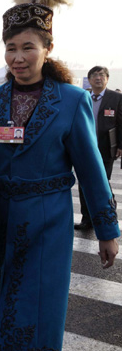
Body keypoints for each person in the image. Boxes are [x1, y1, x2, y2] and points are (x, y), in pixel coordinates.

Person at [0, 0, 120, 351]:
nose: (18, 57)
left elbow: (91, 169)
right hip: (0, 219)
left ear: (47, 48)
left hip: (50, 222)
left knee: (38, 310)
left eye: (28, 47)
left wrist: (108, 232)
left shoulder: (70, 101)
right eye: (11, 48)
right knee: (0, 305)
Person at [75, 66, 122, 230]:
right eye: (94, 75)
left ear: (107, 79)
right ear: (89, 79)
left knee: (103, 183)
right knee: (83, 184)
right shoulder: (83, 96)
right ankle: (86, 219)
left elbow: (121, 123)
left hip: (105, 147)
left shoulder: (116, 97)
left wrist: (120, 146)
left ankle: (108, 215)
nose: (98, 78)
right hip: (84, 147)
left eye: (101, 75)